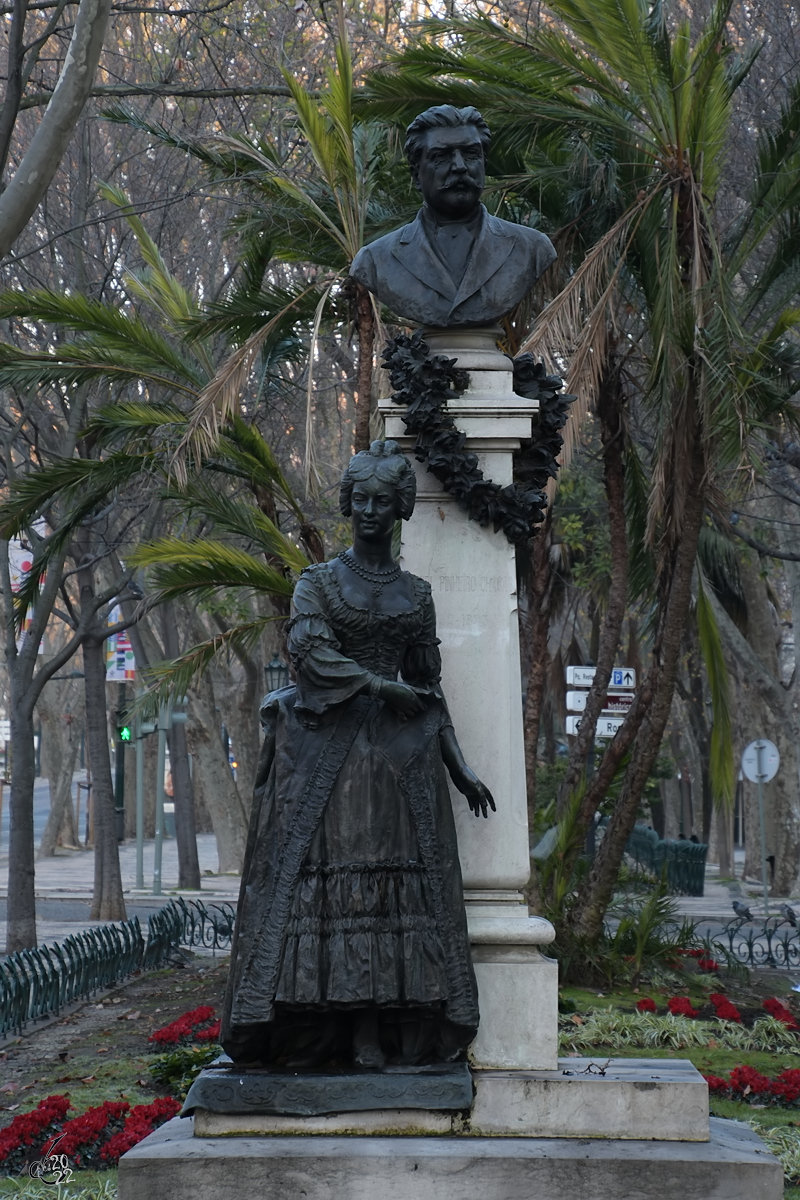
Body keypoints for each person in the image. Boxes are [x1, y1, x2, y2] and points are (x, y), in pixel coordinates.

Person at [221, 441, 494, 1070]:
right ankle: (321, 1029)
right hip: (327, 757)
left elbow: (429, 687)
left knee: (390, 896)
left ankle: (377, 1029)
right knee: (324, 896)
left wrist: (458, 762)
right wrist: (378, 685)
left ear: (400, 508)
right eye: (360, 499)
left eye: (381, 501)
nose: (369, 510)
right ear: (349, 504)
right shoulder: (317, 583)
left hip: (401, 763)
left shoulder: (417, 594)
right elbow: (310, 655)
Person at [350, 105, 556, 328]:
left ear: (484, 164)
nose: (460, 167)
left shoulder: (532, 248)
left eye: (471, 154)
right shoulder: (375, 259)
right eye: (441, 156)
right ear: (416, 175)